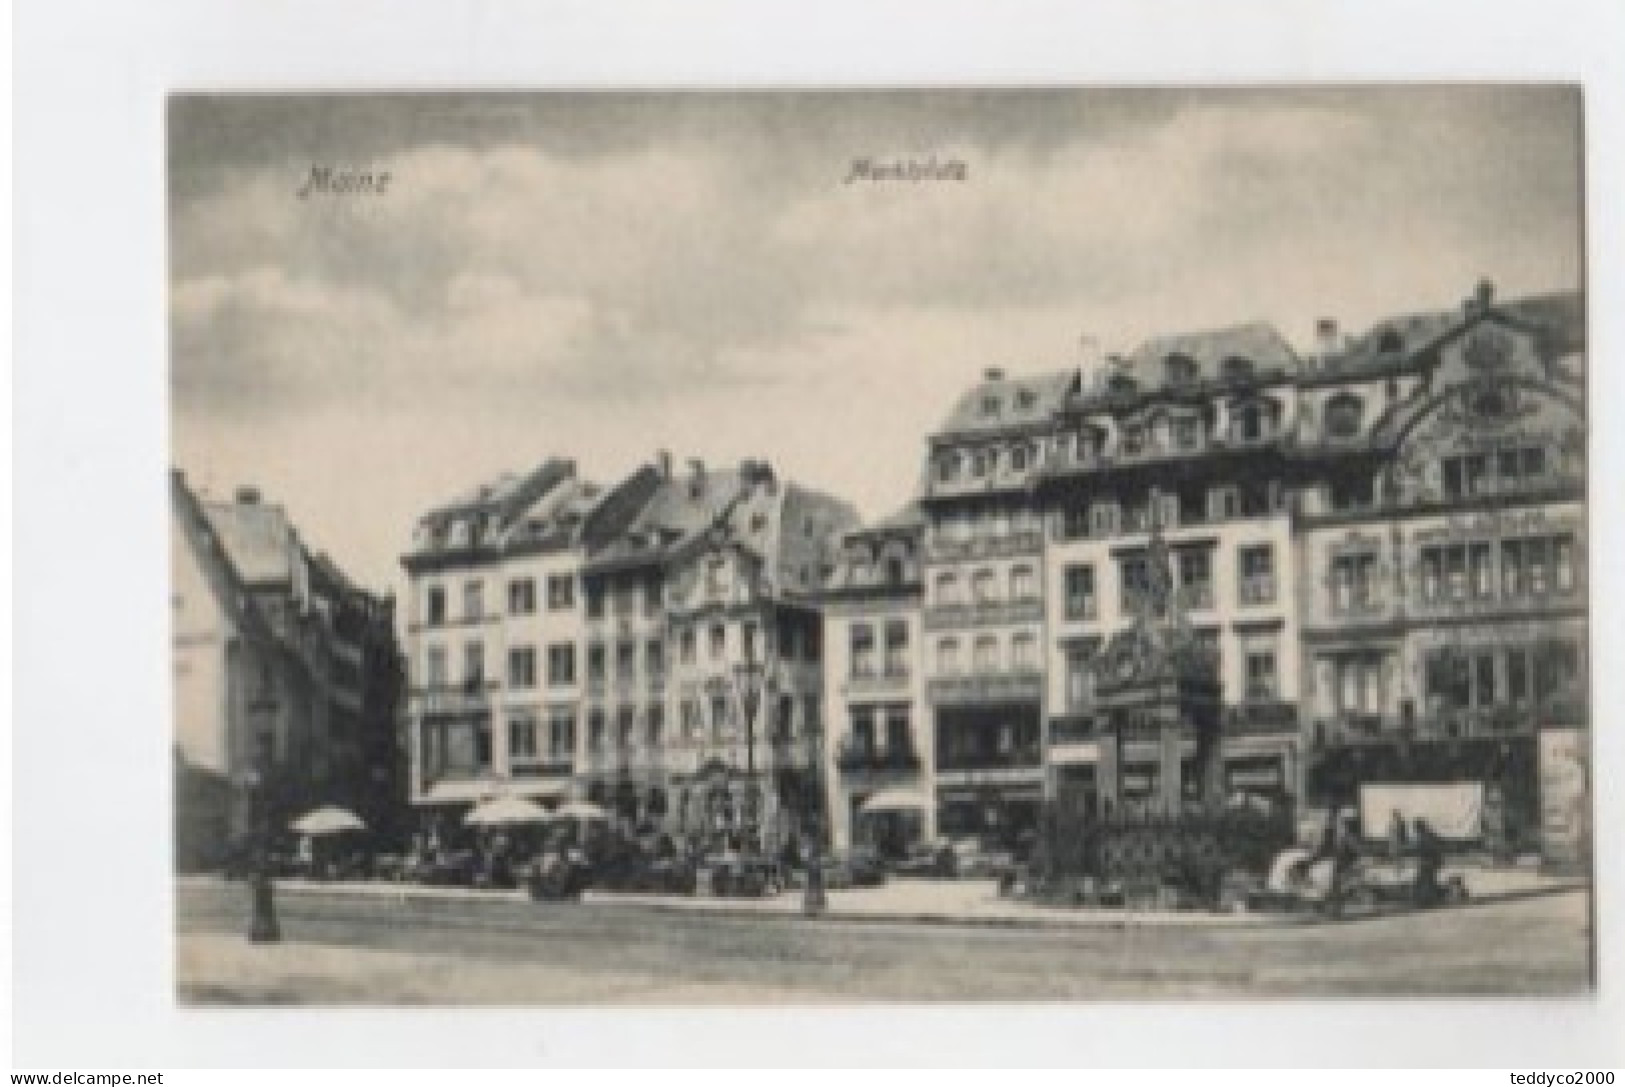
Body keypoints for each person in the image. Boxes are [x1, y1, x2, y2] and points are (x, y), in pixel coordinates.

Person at [1411, 817, 1445, 907]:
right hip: (1431, 862)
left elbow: (1428, 850)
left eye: (1416, 828)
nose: (1415, 830)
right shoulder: (1429, 835)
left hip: (1429, 862)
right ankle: (1430, 898)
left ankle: (1427, 899)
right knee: (1428, 880)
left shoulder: (1425, 837)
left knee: (1425, 880)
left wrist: (1426, 860)